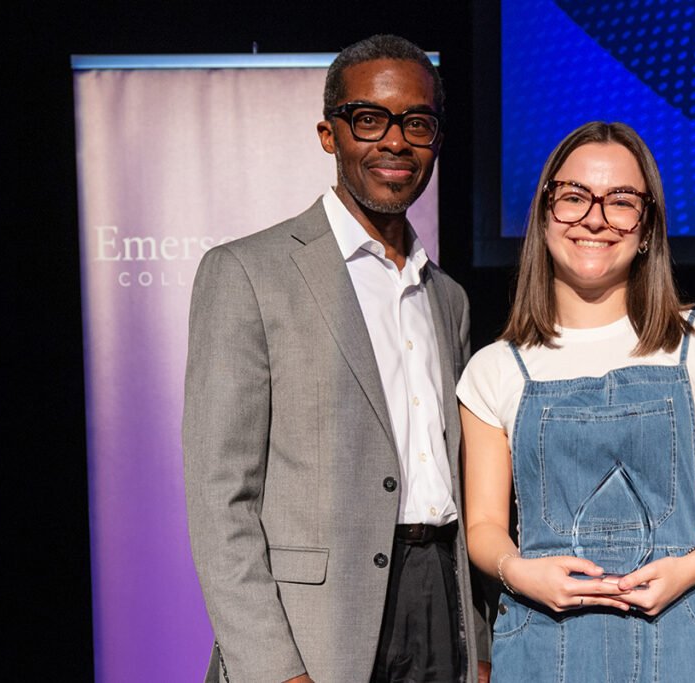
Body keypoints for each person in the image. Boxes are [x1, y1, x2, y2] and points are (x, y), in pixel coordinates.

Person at [184, 34, 488, 683]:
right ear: (330, 133)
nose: (396, 141)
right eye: (370, 119)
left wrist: (477, 638)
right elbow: (220, 499)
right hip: (315, 625)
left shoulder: (449, 298)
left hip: (439, 604)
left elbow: (457, 482)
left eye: (418, 122)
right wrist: (269, 666)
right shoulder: (247, 272)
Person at [457, 121, 695, 681]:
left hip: (679, 632)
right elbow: (484, 524)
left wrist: (690, 568)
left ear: (647, 226)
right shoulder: (495, 367)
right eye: (575, 197)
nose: (596, 219)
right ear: (544, 214)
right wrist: (520, 572)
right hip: (543, 641)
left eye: (621, 202)